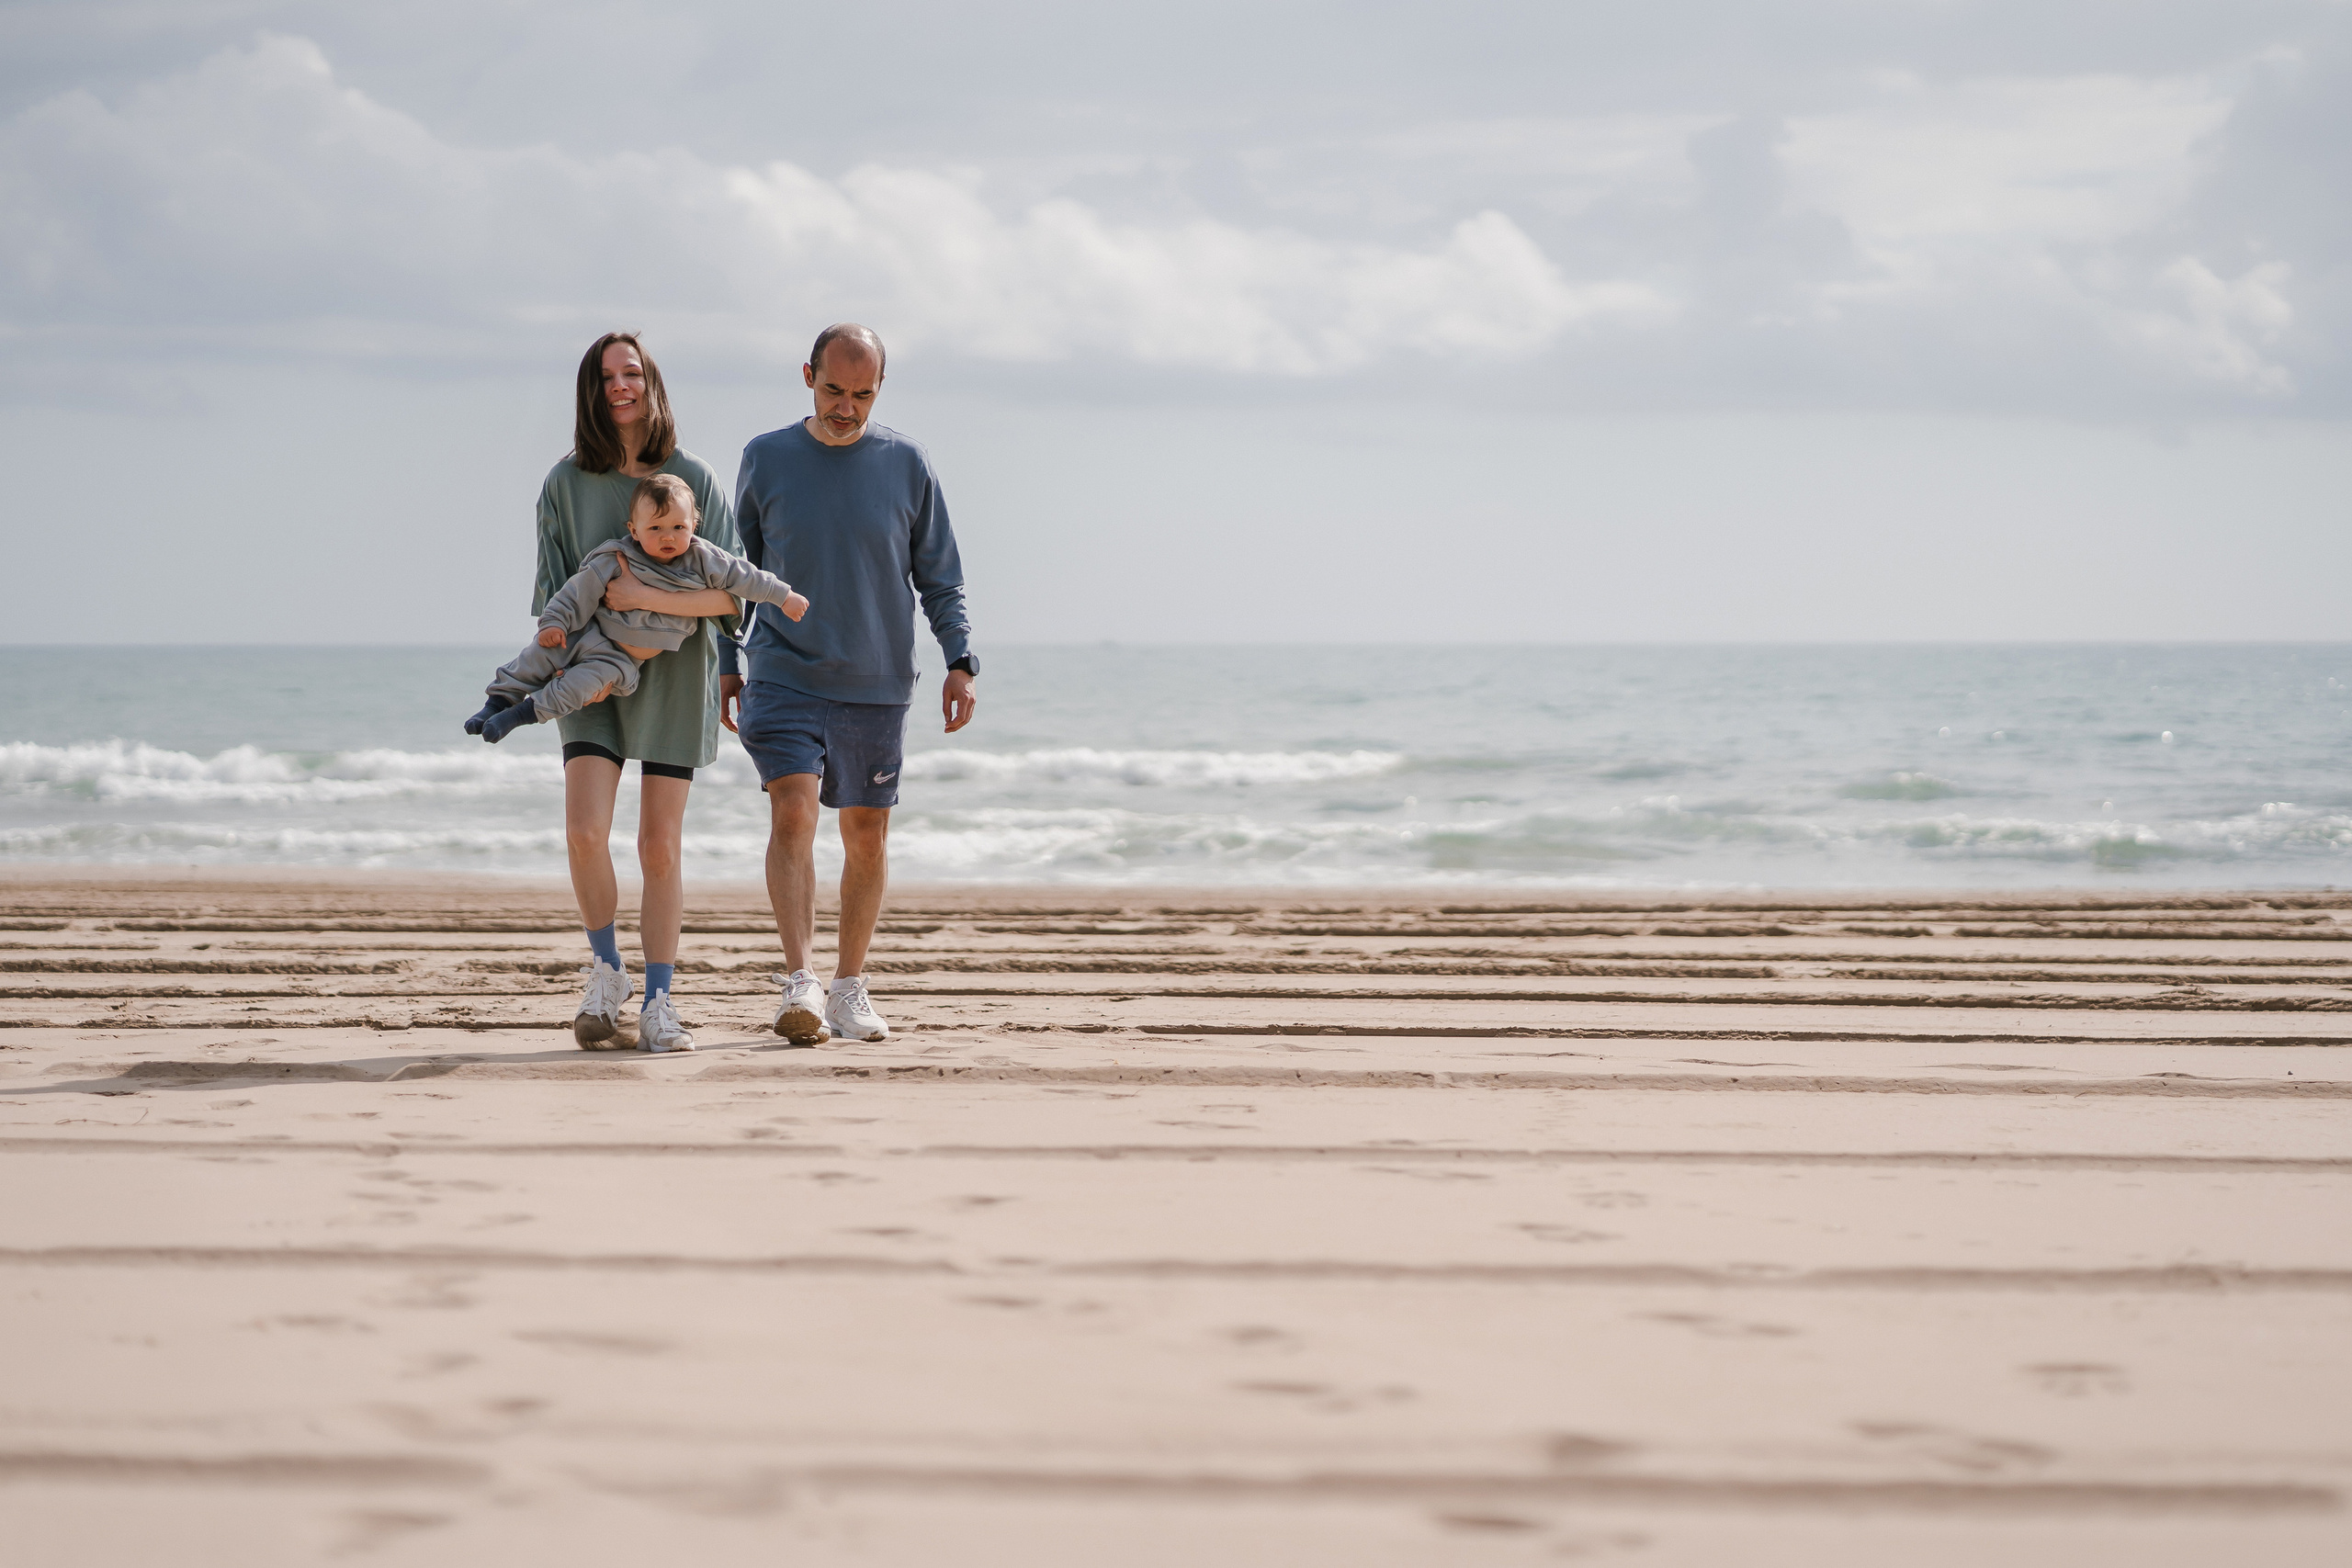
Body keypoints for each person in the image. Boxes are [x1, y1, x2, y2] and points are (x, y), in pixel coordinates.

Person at [729, 322, 977, 1045]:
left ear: (879, 389)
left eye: (861, 395)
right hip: (783, 669)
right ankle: (799, 979)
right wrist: (725, 660)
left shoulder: (906, 463)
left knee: (865, 833)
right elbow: (728, 574)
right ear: (808, 375)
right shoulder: (766, 458)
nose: (846, 407)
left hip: (876, 677)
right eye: (834, 390)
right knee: (794, 814)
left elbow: (941, 576)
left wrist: (960, 659)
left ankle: (848, 985)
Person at [533, 332, 747, 1055]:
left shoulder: (697, 478)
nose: (618, 386)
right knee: (585, 831)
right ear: (590, 394)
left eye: (631, 373)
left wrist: (638, 595)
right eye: (604, 377)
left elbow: (732, 599)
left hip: (676, 683)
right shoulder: (564, 485)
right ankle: (606, 969)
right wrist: (562, 669)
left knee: (659, 846)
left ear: (651, 383)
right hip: (592, 683)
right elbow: (551, 601)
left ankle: (660, 1000)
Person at [469, 474, 808, 743]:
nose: (668, 537)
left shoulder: (703, 559)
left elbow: (746, 578)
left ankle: (520, 715)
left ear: (694, 525)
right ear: (634, 530)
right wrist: (554, 623)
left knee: (576, 688)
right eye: (655, 528)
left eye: (679, 527)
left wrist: (783, 596)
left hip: (618, 660)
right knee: (536, 657)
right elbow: (577, 591)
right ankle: (496, 702)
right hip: (587, 633)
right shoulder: (618, 557)